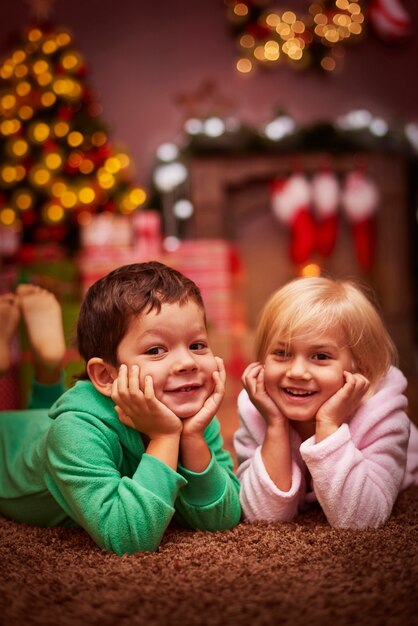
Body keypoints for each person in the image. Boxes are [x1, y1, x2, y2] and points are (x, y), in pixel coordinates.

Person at [0, 262, 241, 555]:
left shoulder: (193, 415)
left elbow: (223, 518)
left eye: (198, 345)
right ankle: (35, 363)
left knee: (43, 416)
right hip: (8, 447)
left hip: (44, 425)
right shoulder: (74, 433)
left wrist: (191, 438)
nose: (188, 362)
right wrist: (165, 437)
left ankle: (48, 369)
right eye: (156, 350)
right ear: (106, 376)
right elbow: (128, 538)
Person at [234, 276, 418, 529]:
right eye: (282, 353)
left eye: (320, 356)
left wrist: (328, 424)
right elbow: (261, 515)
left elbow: (361, 520)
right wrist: (275, 425)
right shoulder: (257, 408)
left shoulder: (382, 414)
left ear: (360, 369)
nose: (297, 371)